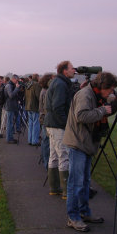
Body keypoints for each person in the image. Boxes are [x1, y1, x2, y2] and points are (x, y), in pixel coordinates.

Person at [63, 72, 117, 232]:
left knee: (85, 182)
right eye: (110, 90)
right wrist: (102, 110)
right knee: (76, 183)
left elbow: (101, 112)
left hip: (86, 142)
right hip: (77, 143)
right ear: (102, 86)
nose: (111, 93)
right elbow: (81, 115)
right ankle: (73, 217)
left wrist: (113, 106)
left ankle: (84, 212)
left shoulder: (96, 95)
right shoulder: (85, 94)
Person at [44, 61, 76, 199]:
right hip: (57, 126)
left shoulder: (56, 82)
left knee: (54, 156)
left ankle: (54, 187)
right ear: (64, 71)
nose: (74, 70)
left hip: (51, 124)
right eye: (71, 68)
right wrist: (66, 124)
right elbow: (58, 107)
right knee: (64, 156)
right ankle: (66, 191)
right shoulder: (61, 84)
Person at [38, 73, 55, 170]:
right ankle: (47, 163)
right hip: (46, 118)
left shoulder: (44, 90)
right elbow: (46, 107)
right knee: (46, 141)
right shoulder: (46, 92)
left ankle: (46, 162)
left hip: (43, 117)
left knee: (45, 141)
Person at [25, 73, 42, 146]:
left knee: (31, 124)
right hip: (35, 106)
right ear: (37, 77)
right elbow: (39, 96)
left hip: (28, 106)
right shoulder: (36, 85)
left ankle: (30, 139)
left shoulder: (27, 85)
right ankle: (35, 140)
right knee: (36, 124)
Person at [4, 75, 20, 144]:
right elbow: (11, 95)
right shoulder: (9, 86)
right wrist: (16, 88)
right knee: (9, 123)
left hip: (11, 106)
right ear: (13, 79)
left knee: (10, 123)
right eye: (17, 80)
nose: (17, 82)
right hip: (9, 106)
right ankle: (9, 139)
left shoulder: (10, 85)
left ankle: (11, 138)